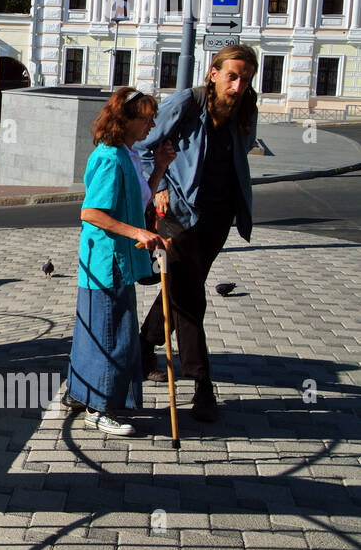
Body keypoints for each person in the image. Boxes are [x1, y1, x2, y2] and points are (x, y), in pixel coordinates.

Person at [136, 43, 258, 423]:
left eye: (246, 79)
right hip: (178, 214)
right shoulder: (188, 103)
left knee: (179, 287)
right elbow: (143, 145)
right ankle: (202, 386)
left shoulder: (246, 107)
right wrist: (158, 187)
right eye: (232, 76)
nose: (238, 86)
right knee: (191, 297)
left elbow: (242, 151)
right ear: (213, 73)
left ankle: (141, 348)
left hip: (219, 217)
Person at [65, 87, 173, 436]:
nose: (152, 124)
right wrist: (138, 235)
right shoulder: (111, 158)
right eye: (146, 117)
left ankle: (80, 394)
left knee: (95, 330)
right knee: (112, 334)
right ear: (125, 120)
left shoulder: (126, 153)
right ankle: (99, 408)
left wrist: (159, 168)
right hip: (106, 263)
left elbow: (139, 201)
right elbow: (92, 213)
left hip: (116, 261)